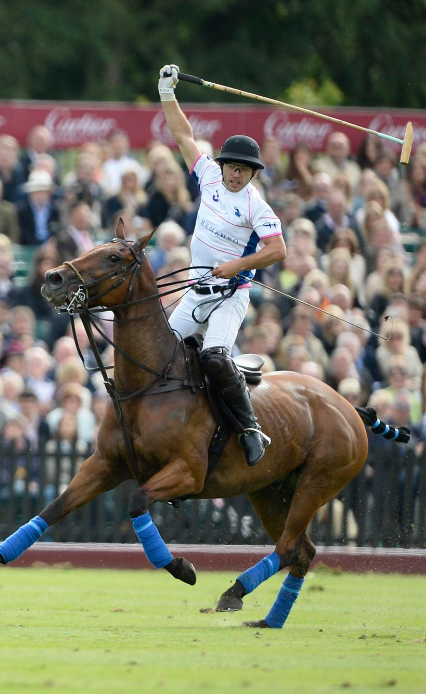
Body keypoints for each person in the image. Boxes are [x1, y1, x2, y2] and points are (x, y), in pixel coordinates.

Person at [158, 64, 287, 465]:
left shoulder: (255, 205)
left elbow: (278, 249)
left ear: (253, 173)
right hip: (196, 291)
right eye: (232, 166)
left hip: (231, 295)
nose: (235, 174)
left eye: (243, 170)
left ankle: (250, 429)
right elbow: (183, 134)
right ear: (224, 164)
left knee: (215, 355)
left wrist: (237, 266)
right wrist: (166, 92)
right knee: (161, 354)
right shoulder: (209, 176)